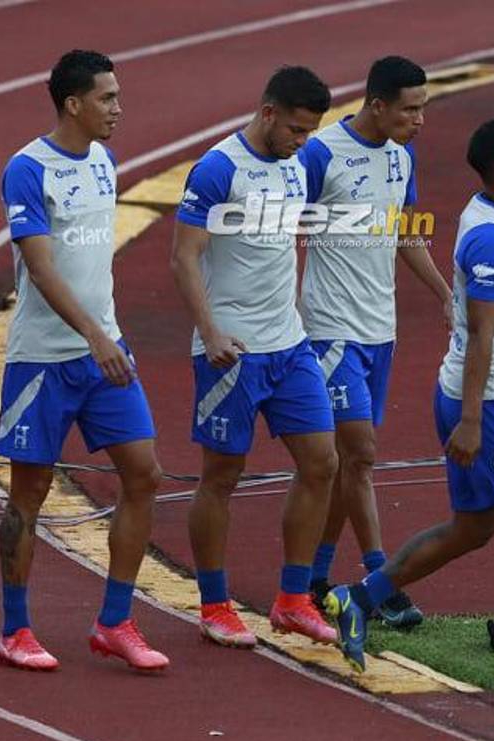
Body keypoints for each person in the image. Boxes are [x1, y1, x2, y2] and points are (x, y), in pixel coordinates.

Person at [323, 118, 494, 678]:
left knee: (474, 527)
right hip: (486, 405)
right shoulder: (490, 238)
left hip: (493, 398)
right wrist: (473, 420)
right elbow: (483, 337)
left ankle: (361, 599)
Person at [0, 50, 168, 672]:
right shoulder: (26, 170)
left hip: (105, 353)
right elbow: (40, 268)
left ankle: (115, 621)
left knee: (144, 474)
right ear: (74, 103)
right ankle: (16, 630)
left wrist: (106, 336)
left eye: (118, 96)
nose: (119, 108)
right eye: (108, 98)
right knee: (30, 493)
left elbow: (94, 263)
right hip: (44, 360)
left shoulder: (103, 162)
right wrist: (94, 335)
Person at [170, 65, 339, 649]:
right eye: (295, 128)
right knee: (222, 476)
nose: (303, 141)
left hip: (289, 347)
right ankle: (215, 604)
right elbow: (184, 258)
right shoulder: (218, 169)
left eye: (310, 131)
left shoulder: (298, 163)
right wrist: (210, 331)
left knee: (322, 464)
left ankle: (293, 600)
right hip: (231, 353)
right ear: (267, 112)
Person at [299, 55, 451, 630]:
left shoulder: (402, 156)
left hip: (379, 332)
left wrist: (443, 293)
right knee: (360, 455)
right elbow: (288, 233)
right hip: (329, 329)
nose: (419, 120)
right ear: (377, 104)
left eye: (424, 108)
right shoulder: (320, 154)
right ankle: (379, 583)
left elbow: (405, 233)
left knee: (345, 464)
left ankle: (314, 577)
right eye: (410, 109)